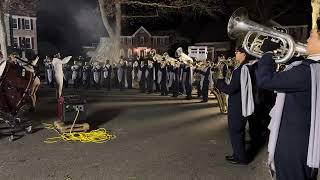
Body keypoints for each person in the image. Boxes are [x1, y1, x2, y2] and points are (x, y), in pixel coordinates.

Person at [256, 29, 320, 180]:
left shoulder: (306, 71)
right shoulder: (311, 69)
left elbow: (265, 80)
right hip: (306, 141)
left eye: (311, 36)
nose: (307, 40)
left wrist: (267, 53)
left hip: (293, 146)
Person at [216, 47, 250, 165]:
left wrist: (220, 78)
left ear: (244, 54)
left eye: (237, 52)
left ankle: (240, 158)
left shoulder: (241, 69)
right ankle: (237, 154)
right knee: (238, 131)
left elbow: (231, 89)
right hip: (240, 104)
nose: (235, 54)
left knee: (235, 131)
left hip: (237, 105)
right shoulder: (245, 67)